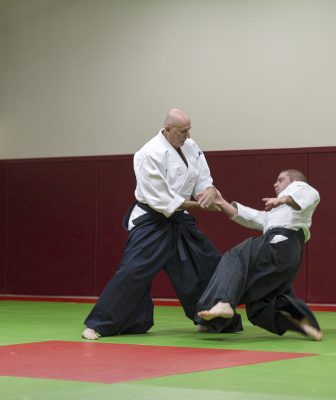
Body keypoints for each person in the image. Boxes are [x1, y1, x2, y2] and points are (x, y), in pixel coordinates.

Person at [82, 108, 242, 339]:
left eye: (189, 130)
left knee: (202, 266)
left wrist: (207, 191)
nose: (187, 135)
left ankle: (211, 320)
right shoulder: (148, 153)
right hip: (153, 220)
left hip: (180, 220)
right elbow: (162, 200)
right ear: (168, 129)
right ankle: (99, 324)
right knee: (134, 271)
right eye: (183, 131)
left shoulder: (191, 146)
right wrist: (200, 206)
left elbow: (203, 177)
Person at [196, 169, 323, 340]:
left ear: (294, 182)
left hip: (280, 242)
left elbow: (301, 194)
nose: (275, 184)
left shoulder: (303, 188)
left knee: (236, 256)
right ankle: (303, 323)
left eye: (280, 180)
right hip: (288, 253)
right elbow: (253, 217)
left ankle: (224, 303)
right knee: (261, 304)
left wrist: (282, 199)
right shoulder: (279, 213)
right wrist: (221, 202)